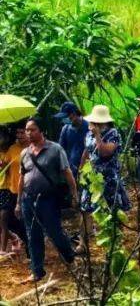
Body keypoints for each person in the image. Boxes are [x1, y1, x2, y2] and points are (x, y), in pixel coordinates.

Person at [19, 117, 78, 283]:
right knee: (33, 235)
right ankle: (37, 271)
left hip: (48, 199)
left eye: (32, 130)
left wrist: (74, 194)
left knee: (55, 232)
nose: (28, 133)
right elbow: (21, 178)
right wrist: (18, 202)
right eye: (27, 130)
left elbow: (67, 173)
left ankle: (70, 257)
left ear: (41, 131)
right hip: (28, 200)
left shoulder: (55, 149)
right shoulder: (25, 152)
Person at [78, 106, 130, 250]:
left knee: (112, 208)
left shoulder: (113, 134)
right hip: (93, 177)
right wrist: (81, 169)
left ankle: (116, 240)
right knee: (86, 208)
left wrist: (98, 136)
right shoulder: (89, 134)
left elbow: (105, 152)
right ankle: (83, 242)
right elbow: (87, 150)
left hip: (109, 178)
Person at [0, 126, 27, 256]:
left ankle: (4, 249)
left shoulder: (27, 149)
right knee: (9, 220)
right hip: (12, 190)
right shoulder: (12, 149)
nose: (20, 135)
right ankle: (17, 238)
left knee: (8, 219)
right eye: (18, 132)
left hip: (21, 189)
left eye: (22, 132)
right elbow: (4, 167)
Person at [54, 102, 88, 180]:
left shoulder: (89, 127)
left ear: (74, 113)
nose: (65, 119)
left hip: (87, 170)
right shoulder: (65, 129)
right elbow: (61, 150)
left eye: (67, 116)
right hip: (70, 171)